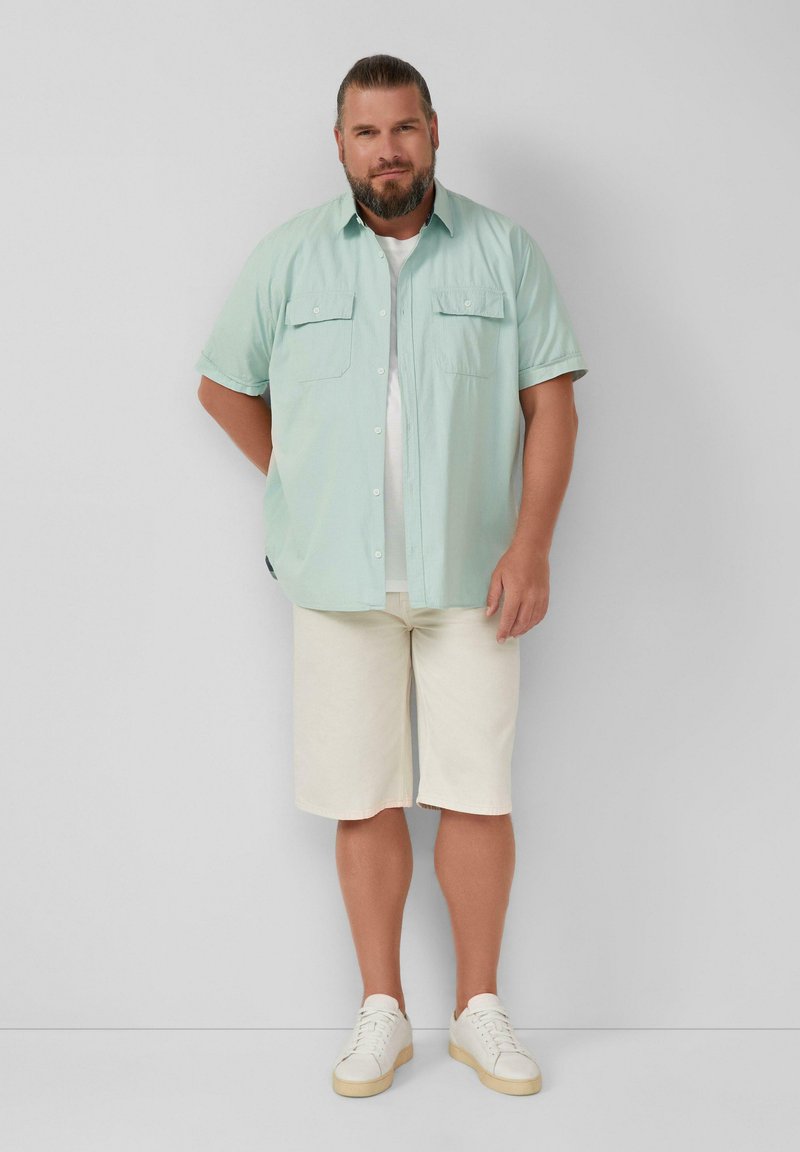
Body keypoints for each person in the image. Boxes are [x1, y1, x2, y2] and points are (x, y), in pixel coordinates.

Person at [195, 54, 588, 1099]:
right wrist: (302, 484)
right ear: (339, 144)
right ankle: (382, 1012)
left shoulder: (502, 251)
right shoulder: (289, 257)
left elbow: (551, 404)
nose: (388, 152)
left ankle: (478, 1011)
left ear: (433, 131)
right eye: (366, 134)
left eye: (403, 129)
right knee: (360, 797)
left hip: (475, 581)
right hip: (338, 587)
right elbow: (223, 386)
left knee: (476, 791)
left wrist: (532, 545)